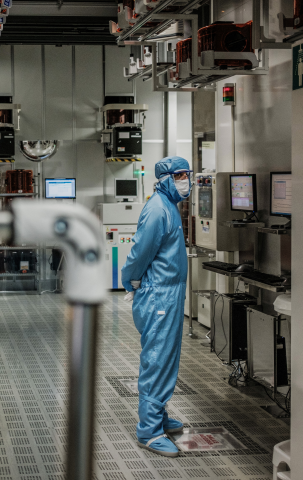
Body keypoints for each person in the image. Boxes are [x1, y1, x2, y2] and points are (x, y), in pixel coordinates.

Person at [120, 156, 192, 457]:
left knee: (167, 358)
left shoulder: (169, 206)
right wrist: (130, 280)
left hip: (170, 294)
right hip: (158, 296)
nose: (184, 180)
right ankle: (149, 430)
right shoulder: (157, 209)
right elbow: (139, 253)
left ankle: (159, 414)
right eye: (178, 175)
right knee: (158, 359)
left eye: (187, 174)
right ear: (164, 179)